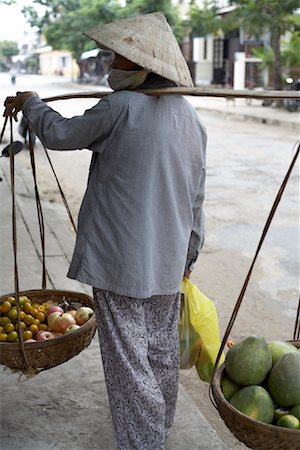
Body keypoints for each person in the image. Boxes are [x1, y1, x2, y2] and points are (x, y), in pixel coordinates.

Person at [3, 12, 207, 450]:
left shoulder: (118, 108)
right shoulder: (191, 118)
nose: (111, 63)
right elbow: (196, 198)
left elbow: (58, 133)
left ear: (145, 67)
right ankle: (158, 429)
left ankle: (143, 441)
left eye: (120, 57)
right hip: (169, 259)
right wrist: (190, 253)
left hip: (122, 260)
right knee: (157, 352)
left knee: (129, 360)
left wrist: (33, 104)